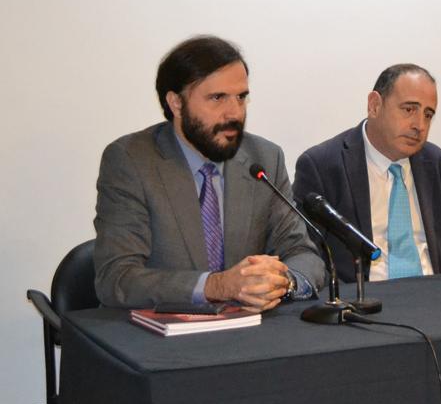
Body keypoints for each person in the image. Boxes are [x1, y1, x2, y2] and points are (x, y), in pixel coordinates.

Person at [94, 36, 325, 311]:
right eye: (217, 98)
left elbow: (303, 253)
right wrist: (216, 286)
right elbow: (117, 279)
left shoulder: (264, 158)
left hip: (248, 334)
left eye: (241, 97)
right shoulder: (132, 161)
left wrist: (284, 282)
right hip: (158, 340)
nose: (234, 113)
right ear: (176, 103)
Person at [294, 64, 441, 282]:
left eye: (428, 114)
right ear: (374, 106)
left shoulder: (439, 166)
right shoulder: (322, 166)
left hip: (433, 299)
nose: (419, 125)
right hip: (363, 304)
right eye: (409, 109)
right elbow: (306, 257)